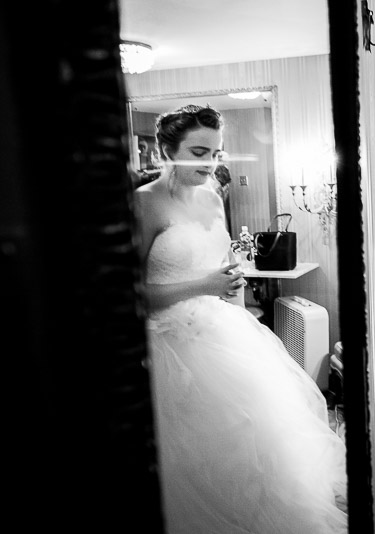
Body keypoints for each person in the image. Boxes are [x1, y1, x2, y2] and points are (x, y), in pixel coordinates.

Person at [134, 104, 347, 534]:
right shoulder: (144, 204)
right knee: (200, 456)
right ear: (165, 150)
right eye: (198, 152)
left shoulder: (213, 198)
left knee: (257, 439)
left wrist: (236, 297)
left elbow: (225, 264)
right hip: (168, 349)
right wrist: (203, 285)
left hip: (223, 334)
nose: (210, 163)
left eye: (216, 152)